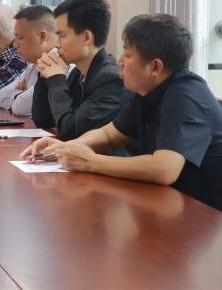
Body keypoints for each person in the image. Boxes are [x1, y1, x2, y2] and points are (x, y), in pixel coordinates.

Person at [21, 14, 222, 211]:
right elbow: (109, 135)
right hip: (171, 204)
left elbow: (164, 169)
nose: (119, 61)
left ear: (155, 66)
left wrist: (90, 161)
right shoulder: (148, 91)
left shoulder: (185, 96)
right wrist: (66, 148)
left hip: (206, 214)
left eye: (128, 54)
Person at [31, 0, 131, 141]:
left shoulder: (111, 79)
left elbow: (71, 130)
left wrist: (56, 79)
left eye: (62, 36)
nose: (57, 44)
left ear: (86, 37)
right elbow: (43, 120)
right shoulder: (78, 73)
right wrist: (45, 76)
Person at [0, 5, 66, 116]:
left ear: (42, 36)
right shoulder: (33, 63)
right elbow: (1, 97)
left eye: (20, 38)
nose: (15, 44)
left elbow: (19, 108)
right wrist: (20, 94)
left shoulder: (57, 64)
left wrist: (18, 95)